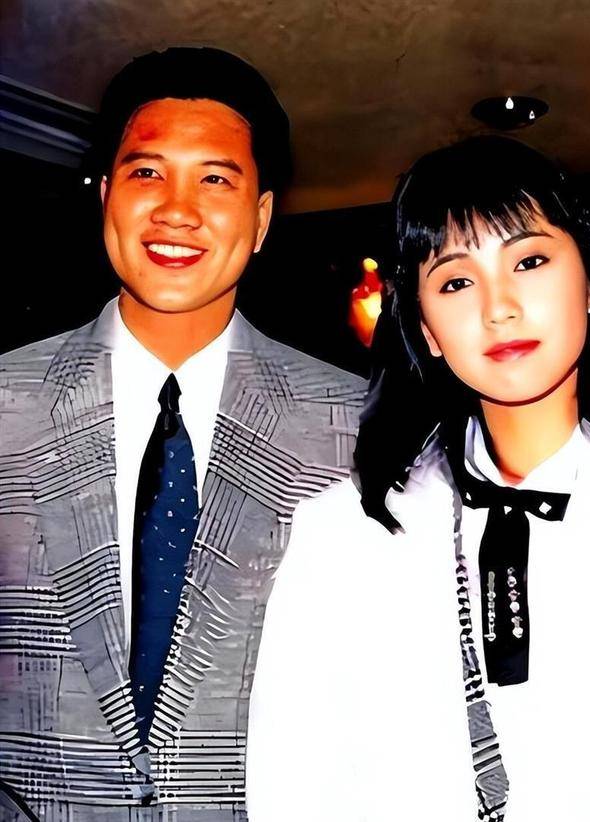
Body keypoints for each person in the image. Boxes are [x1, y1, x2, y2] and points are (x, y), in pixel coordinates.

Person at [247, 136, 590, 822]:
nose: (499, 307)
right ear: (428, 330)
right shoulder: (344, 536)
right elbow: (294, 786)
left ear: (589, 282)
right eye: (456, 282)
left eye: (529, 261)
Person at [0, 47, 366, 820]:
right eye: (147, 172)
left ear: (260, 220)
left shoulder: (358, 429)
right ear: (106, 196)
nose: (176, 209)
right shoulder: (6, 404)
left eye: (215, 180)